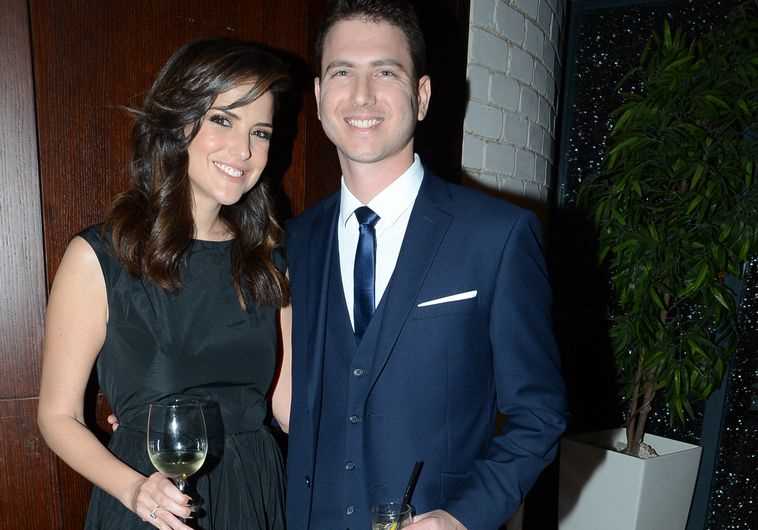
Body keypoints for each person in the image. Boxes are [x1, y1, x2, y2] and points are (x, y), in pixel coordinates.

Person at [284, 1, 568, 529]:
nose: (361, 95)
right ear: (319, 97)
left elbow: (539, 414)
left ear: (422, 96)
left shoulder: (497, 235)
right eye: (342, 72)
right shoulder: (293, 242)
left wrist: (462, 518)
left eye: (385, 72)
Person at [37, 38, 293, 530]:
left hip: (256, 496)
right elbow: (57, 415)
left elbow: (287, 407)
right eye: (223, 120)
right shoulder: (101, 257)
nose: (244, 150)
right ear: (178, 123)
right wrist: (133, 488)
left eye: (260, 132)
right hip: (151, 502)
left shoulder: (268, 260)